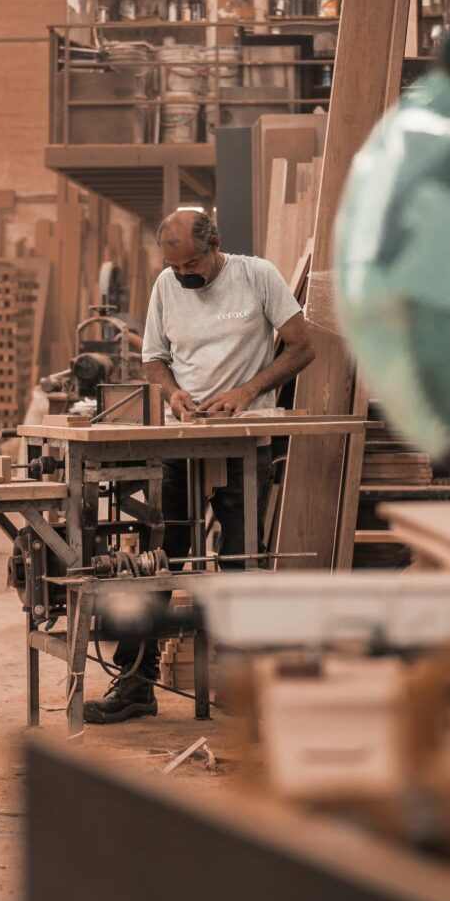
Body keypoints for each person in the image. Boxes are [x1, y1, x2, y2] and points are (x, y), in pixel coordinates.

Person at [84, 209, 316, 724]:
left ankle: (239, 683)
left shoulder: (257, 276)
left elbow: (303, 346)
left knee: (240, 563)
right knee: (155, 563)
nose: (184, 276)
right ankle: (136, 684)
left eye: (192, 266)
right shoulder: (167, 285)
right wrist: (171, 393)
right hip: (183, 438)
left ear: (216, 245)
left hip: (243, 441)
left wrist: (248, 391)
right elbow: (152, 358)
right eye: (175, 266)